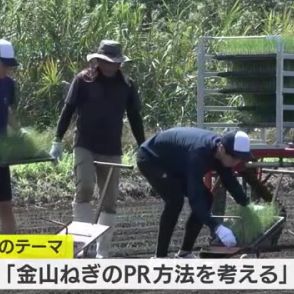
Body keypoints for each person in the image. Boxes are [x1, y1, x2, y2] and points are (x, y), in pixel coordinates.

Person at [50, 40, 145, 258]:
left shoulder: (127, 85)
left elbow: (135, 117)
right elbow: (68, 109)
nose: (110, 66)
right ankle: (84, 245)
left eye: (114, 62)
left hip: (111, 146)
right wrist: (57, 139)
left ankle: (103, 250)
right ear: (98, 61)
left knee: (109, 199)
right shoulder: (83, 80)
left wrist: (143, 145)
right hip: (85, 143)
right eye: (106, 62)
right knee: (84, 187)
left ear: (120, 63)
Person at [137, 127, 251, 258]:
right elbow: (195, 197)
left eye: (240, 159)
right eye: (235, 157)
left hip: (177, 162)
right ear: (222, 149)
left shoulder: (221, 154)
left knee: (207, 198)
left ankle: (185, 253)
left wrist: (247, 204)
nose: (237, 162)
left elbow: (229, 180)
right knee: (175, 200)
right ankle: (160, 257)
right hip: (152, 159)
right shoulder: (199, 153)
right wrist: (216, 227)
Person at [0, 39, 19, 233]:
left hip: (1, 155)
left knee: (5, 204)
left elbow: (8, 112)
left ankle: (11, 252)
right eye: (4, 65)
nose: (7, 69)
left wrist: (20, 132)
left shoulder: (8, 85)